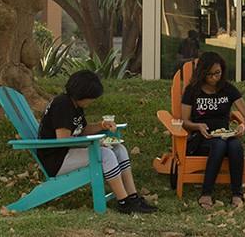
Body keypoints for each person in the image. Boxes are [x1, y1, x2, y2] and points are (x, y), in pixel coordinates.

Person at [37, 70, 156, 214]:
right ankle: (124, 202)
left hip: (68, 153)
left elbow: (82, 130)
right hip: (57, 159)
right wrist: (95, 143)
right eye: (91, 97)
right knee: (105, 155)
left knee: (119, 149)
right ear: (82, 94)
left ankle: (133, 197)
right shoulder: (62, 105)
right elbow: (63, 140)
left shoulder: (76, 106)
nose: (93, 100)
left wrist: (101, 125)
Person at [182, 51, 245, 208]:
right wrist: (198, 126)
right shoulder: (192, 91)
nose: (215, 78)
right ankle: (206, 193)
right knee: (220, 144)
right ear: (202, 73)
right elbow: (184, 121)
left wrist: (243, 126)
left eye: (218, 73)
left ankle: (237, 194)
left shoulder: (227, 89)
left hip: (225, 135)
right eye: (210, 74)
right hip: (201, 138)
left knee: (235, 145)